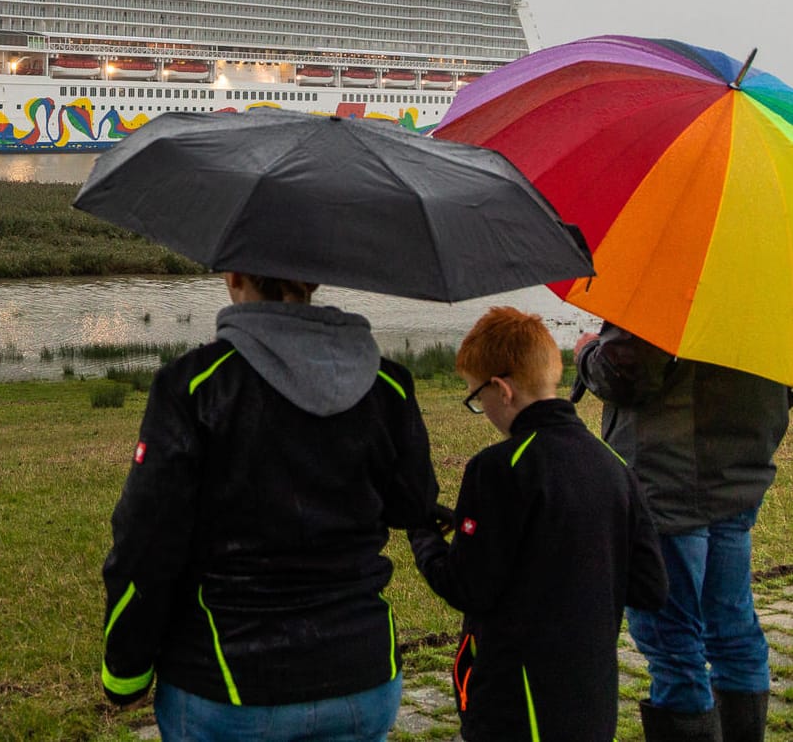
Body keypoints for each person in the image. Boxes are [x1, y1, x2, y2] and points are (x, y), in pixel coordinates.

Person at [100, 272, 439, 742]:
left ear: (234, 276)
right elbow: (414, 504)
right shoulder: (389, 384)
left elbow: (145, 544)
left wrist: (125, 672)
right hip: (361, 675)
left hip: (227, 683)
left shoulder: (194, 386)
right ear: (316, 280)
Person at [409, 307, 668, 741]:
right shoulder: (614, 465)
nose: (482, 410)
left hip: (515, 703)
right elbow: (650, 587)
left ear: (502, 389)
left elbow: (465, 586)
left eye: (476, 398)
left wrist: (422, 534)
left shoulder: (498, 468)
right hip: (590, 698)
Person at [575, 322, 790, 742]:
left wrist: (587, 354)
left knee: (673, 645)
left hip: (666, 482)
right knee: (733, 631)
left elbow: (629, 371)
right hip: (738, 470)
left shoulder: (669, 267)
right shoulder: (775, 277)